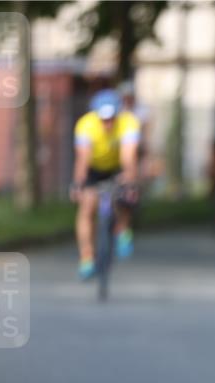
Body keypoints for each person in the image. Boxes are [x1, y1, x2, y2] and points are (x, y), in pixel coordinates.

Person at [70, 89, 140, 279]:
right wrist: (78, 183)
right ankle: (86, 257)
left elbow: (128, 156)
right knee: (87, 207)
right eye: (103, 119)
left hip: (117, 166)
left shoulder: (129, 123)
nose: (107, 123)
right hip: (94, 168)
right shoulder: (85, 125)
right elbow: (83, 159)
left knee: (125, 195)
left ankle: (123, 229)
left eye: (111, 119)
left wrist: (130, 181)